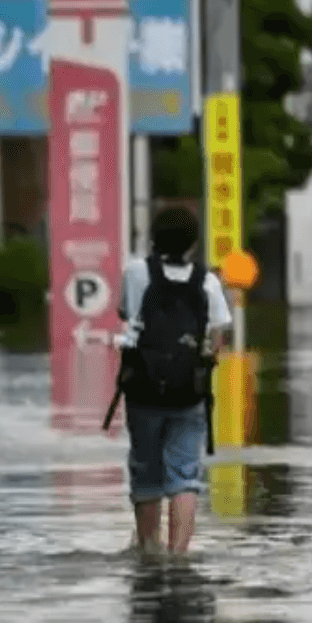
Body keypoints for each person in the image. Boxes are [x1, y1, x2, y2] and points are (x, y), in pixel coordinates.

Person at [116, 207, 232, 556]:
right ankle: (178, 553)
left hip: (143, 388)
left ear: (153, 237)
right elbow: (218, 336)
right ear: (194, 243)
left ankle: (149, 549)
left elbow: (125, 314)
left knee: (146, 468)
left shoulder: (137, 272)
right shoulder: (207, 280)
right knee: (184, 473)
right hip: (189, 393)